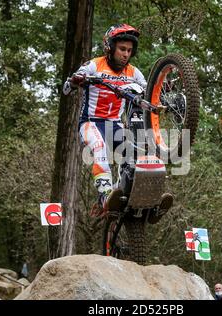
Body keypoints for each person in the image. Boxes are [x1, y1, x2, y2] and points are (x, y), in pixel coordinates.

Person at [63, 23, 173, 219]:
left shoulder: (134, 73)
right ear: (110, 47)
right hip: (90, 122)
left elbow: (151, 94)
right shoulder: (94, 65)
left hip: (115, 124)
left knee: (137, 155)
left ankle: (144, 200)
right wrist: (74, 81)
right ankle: (105, 196)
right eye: (122, 49)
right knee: (98, 147)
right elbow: (65, 88)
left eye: (129, 50)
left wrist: (165, 90)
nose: (126, 54)